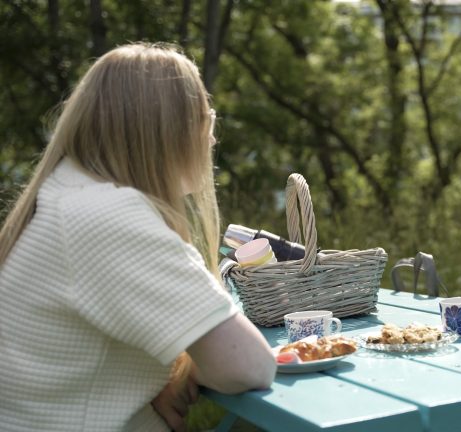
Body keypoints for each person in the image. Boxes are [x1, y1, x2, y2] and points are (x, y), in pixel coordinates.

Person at [0, 43, 276, 431]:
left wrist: (170, 377)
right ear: (169, 130)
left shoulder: (67, 195)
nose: (211, 139)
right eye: (206, 119)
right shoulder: (107, 218)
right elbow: (249, 367)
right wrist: (190, 372)